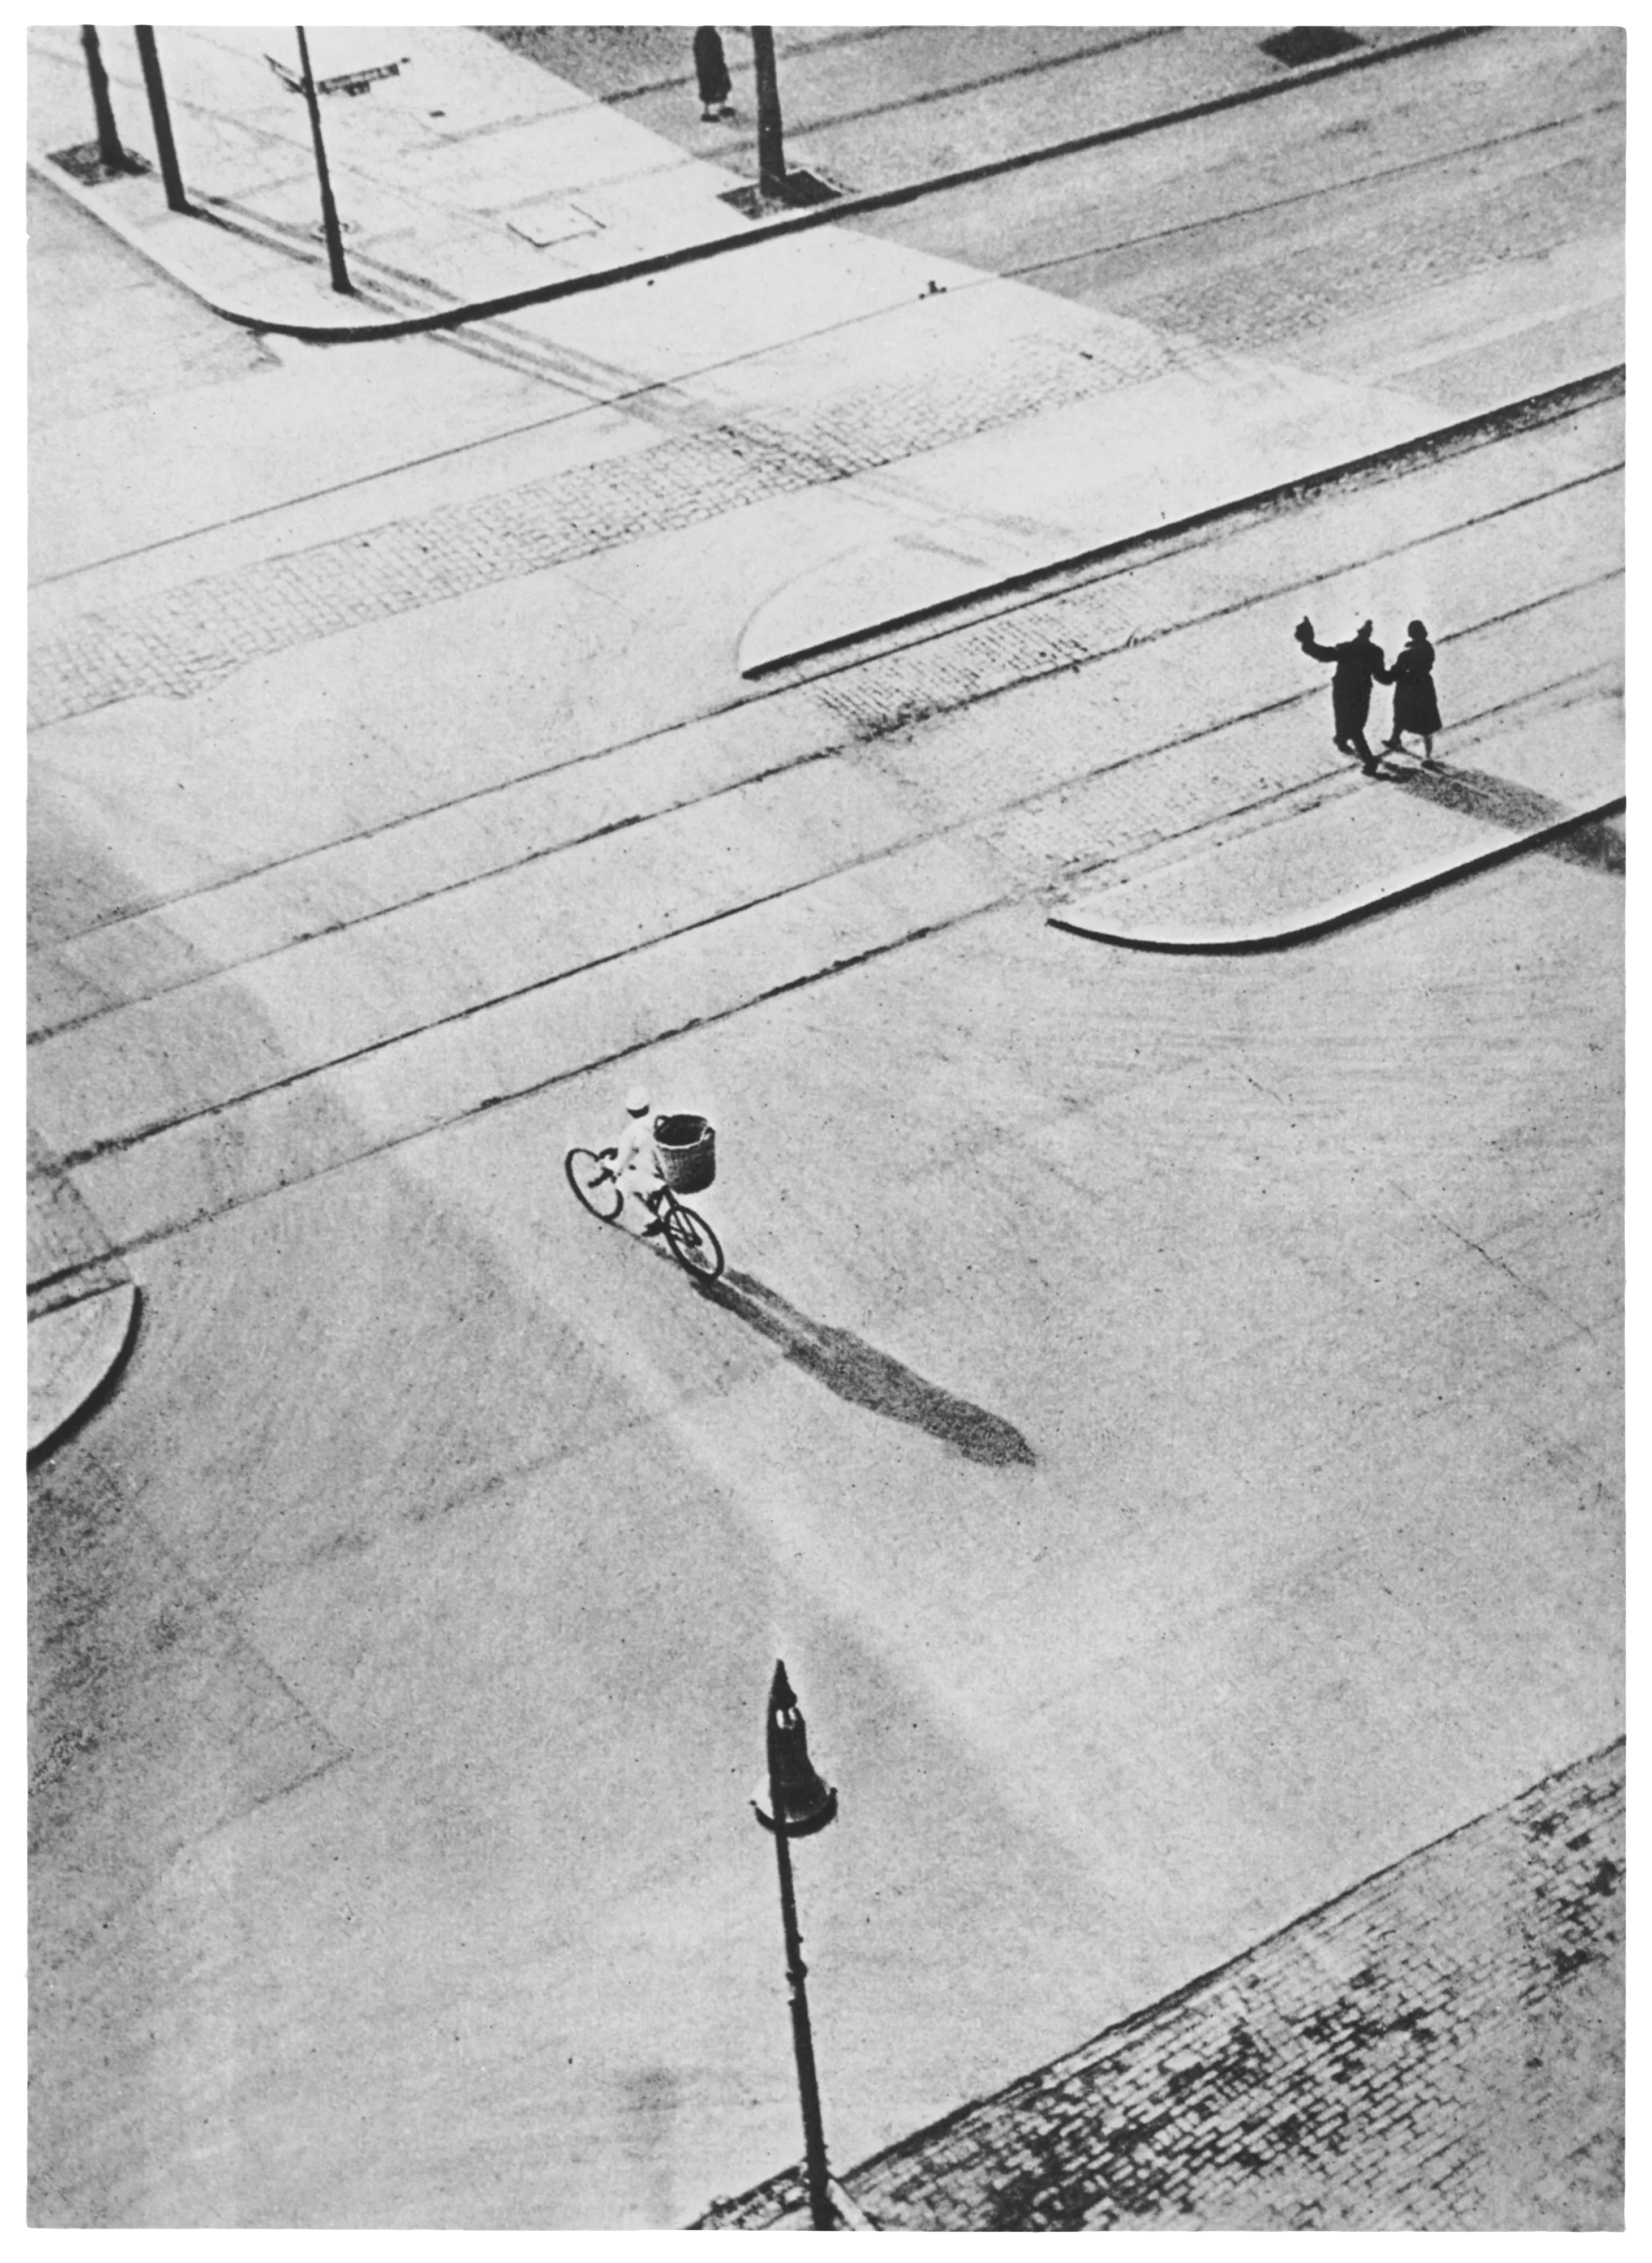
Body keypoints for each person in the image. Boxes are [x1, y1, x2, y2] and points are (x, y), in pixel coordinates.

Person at [1294, 615, 1388, 771]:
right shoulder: (1376, 652)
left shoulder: (1346, 648)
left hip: (1342, 690)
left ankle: (1369, 760)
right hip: (1361, 693)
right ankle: (1342, 740)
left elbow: (1324, 655)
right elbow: (1381, 677)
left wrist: (1308, 643)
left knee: (1343, 718)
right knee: (1356, 724)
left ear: (1358, 634)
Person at [1379, 620, 1443, 760]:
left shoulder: (1406, 655)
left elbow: (1392, 675)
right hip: (1425, 688)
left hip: (1407, 690)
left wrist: (1378, 672)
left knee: (1401, 715)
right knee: (1426, 723)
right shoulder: (1428, 648)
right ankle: (1428, 756)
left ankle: (1395, 740)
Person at [612, 1085, 668, 1235]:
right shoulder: (660, 1119)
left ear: (630, 1111)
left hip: (653, 1174)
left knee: (623, 1183)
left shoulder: (630, 1133)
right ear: (648, 1105)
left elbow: (619, 1165)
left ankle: (651, 1219)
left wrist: (608, 1165)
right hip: (670, 1169)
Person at [694, 24, 735, 121]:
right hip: (709, 67)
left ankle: (721, 107)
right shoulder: (705, 35)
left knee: (721, 85)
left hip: (714, 65)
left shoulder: (706, 34)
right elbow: (704, 54)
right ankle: (708, 112)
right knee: (710, 87)